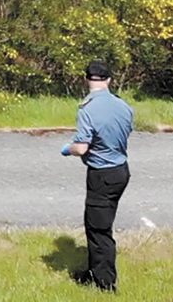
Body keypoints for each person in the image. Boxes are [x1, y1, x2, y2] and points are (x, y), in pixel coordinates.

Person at [60, 60, 134, 292]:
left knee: (99, 230)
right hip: (121, 171)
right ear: (109, 80)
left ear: (86, 80)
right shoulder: (124, 107)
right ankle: (93, 271)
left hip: (102, 174)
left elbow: (82, 147)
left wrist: (68, 148)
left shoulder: (88, 108)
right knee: (97, 224)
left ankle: (105, 284)